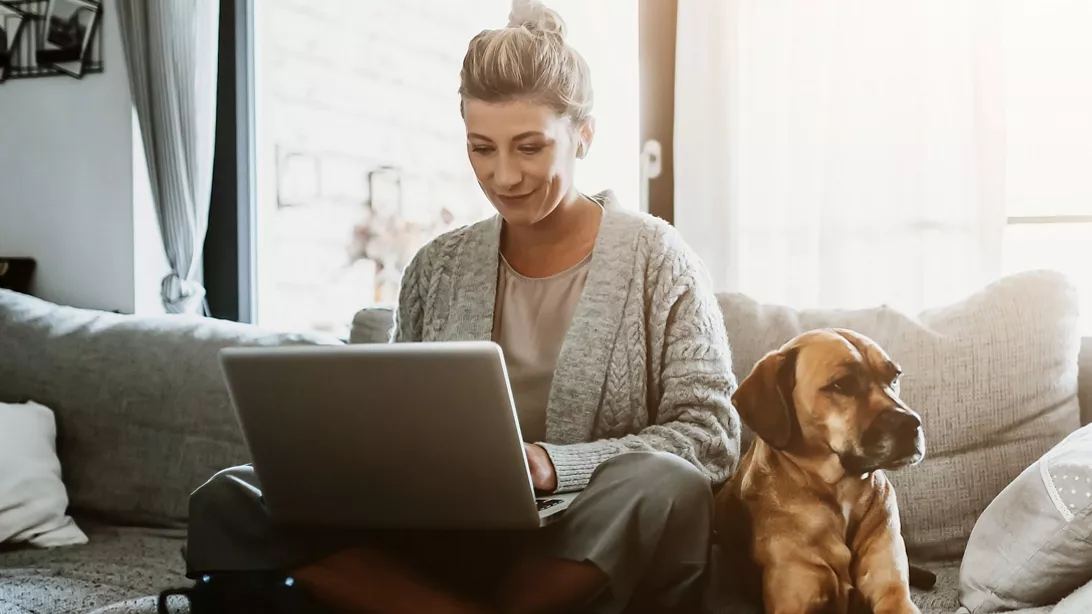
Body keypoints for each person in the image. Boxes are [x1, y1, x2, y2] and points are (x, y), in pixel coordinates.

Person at [181, 2, 742, 613]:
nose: (504, 176)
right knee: (227, 498)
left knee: (667, 485)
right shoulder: (436, 266)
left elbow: (710, 437)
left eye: (529, 147)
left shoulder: (658, 258)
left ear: (583, 135)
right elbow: (398, 422)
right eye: (481, 148)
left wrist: (556, 465)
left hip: (576, 536)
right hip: (442, 532)